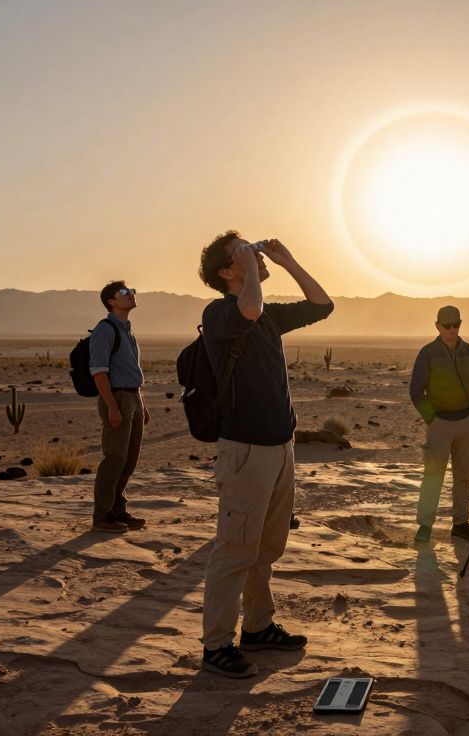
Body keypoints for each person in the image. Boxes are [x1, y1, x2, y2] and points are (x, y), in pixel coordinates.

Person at [196, 231, 333, 678]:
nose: (253, 254)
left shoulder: (269, 315)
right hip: (245, 451)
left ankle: (257, 627)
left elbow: (322, 305)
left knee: (267, 547)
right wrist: (252, 268)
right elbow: (248, 309)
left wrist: (288, 261)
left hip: (280, 447)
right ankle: (217, 645)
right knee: (235, 549)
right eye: (241, 251)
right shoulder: (219, 314)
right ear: (226, 271)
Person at [409, 305, 469, 545]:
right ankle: (425, 526)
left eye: (456, 324)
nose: (451, 329)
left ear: (460, 324)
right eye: (447, 325)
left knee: (464, 477)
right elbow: (416, 391)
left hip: (467, 423)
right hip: (440, 423)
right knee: (433, 476)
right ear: (437, 326)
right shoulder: (428, 353)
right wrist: (432, 419)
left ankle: (461, 524)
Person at [88, 280, 148, 534]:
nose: (131, 294)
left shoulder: (127, 330)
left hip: (133, 397)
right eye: (124, 292)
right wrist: (112, 406)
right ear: (111, 301)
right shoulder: (105, 330)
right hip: (117, 398)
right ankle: (102, 516)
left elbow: (129, 369)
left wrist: (141, 404)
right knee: (115, 458)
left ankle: (117, 509)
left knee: (129, 460)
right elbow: (99, 371)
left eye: (132, 291)